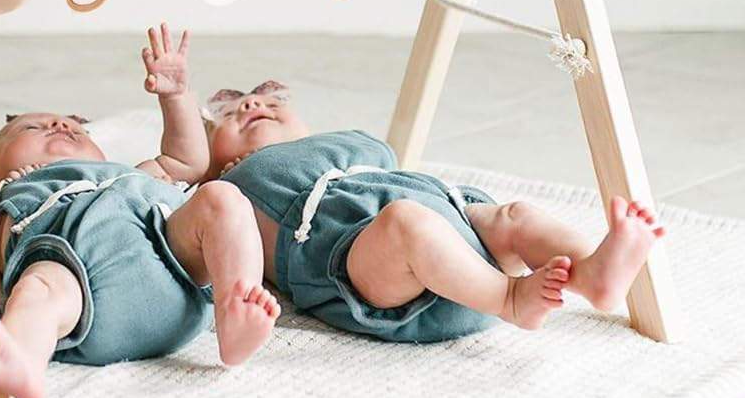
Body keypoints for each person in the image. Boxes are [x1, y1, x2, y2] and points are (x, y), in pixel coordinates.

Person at [0, 25, 280, 398]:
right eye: (34, 126)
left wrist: (176, 96)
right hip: (84, 298)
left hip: (175, 267)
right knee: (40, 285)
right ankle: (24, 358)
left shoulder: (130, 174)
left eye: (76, 127)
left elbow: (189, 161)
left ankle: (232, 310)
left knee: (220, 198)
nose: (62, 125)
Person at [204, 81, 664, 343]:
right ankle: (509, 299)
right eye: (229, 115)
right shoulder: (222, 190)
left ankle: (593, 274)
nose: (251, 104)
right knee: (407, 224)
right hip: (359, 266)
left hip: (452, 227)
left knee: (514, 216)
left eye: (271, 101)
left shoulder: (339, 151)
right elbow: (175, 169)